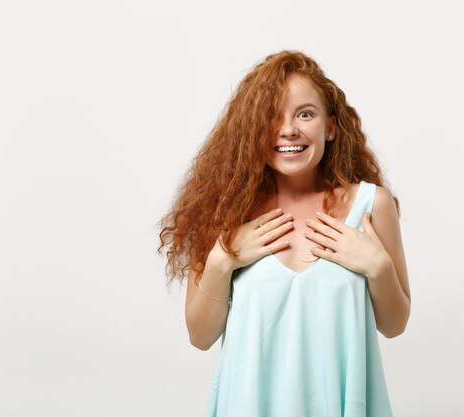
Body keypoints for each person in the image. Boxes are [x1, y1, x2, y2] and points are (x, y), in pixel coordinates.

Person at [157, 50, 411, 417]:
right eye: (271, 116)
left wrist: (378, 267)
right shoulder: (228, 211)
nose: (288, 129)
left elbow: (395, 324)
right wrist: (222, 259)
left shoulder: (372, 205)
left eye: (304, 114)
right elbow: (200, 337)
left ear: (331, 127)